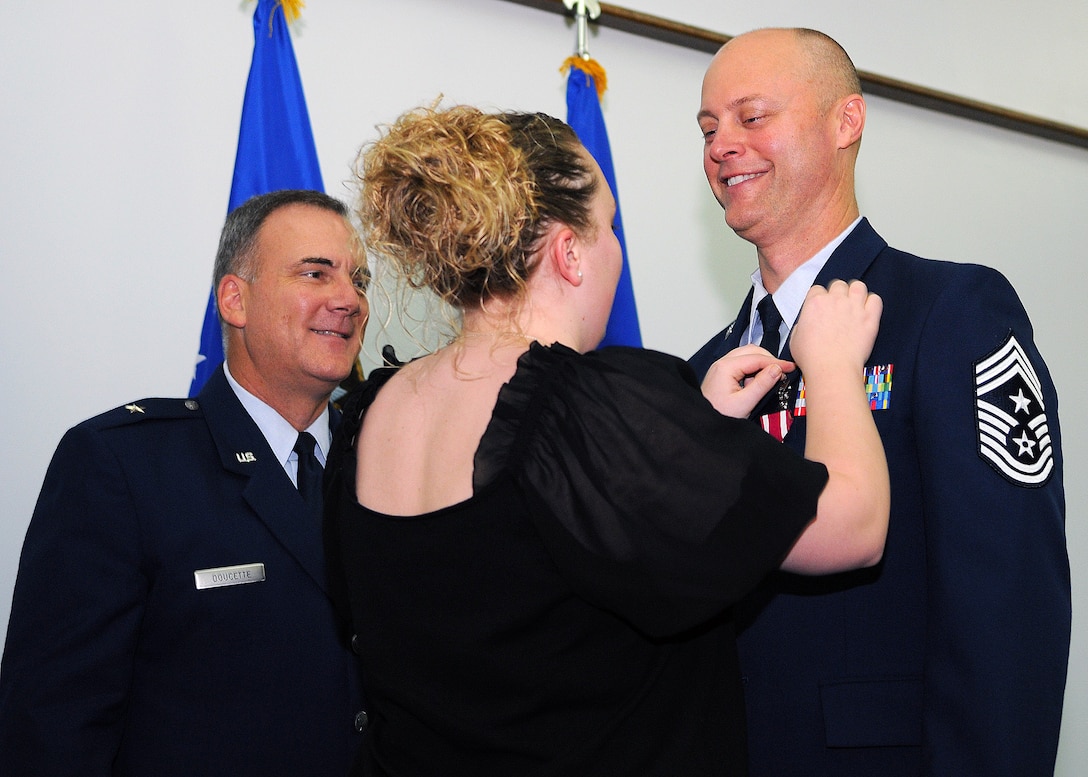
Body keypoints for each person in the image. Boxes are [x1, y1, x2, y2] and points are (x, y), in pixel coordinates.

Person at [324, 103, 888, 776]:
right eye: (608, 225)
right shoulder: (580, 406)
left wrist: (686, 434)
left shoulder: (368, 413)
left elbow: (507, 587)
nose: (616, 247)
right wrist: (832, 368)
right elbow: (854, 524)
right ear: (569, 251)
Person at [691, 27, 1069, 777]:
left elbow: (1008, 607)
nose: (722, 145)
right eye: (708, 129)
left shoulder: (950, 313)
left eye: (752, 116)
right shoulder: (704, 373)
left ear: (845, 122)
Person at [0, 189, 370, 776]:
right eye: (315, 273)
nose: (349, 299)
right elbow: (52, 725)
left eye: (359, 280)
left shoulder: (388, 458)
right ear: (234, 299)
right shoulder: (123, 466)